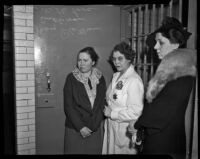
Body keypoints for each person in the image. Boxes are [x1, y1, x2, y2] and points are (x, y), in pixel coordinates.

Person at [132, 16, 197, 159]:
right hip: (159, 138)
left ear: (174, 44)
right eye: (155, 42)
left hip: (165, 143)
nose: (155, 47)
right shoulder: (170, 68)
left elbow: (161, 111)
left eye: (160, 42)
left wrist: (137, 125)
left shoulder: (181, 71)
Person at [102, 42, 144, 154]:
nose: (116, 62)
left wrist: (112, 114)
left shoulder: (134, 80)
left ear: (129, 59)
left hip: (124, 132)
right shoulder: (116, 76)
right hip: (112, 127)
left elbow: (136, 112)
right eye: (114, 59)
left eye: (120, 58)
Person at [63, 47, 106, 154]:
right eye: (79, 60)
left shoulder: (100, 78)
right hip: (75, 128)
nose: (81, 63)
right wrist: (81, 127)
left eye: (85, 60)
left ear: (93, 62)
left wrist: (95, 124)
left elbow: (102, 103)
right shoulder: (71, 78)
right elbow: (68, 106)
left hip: (94, 128)